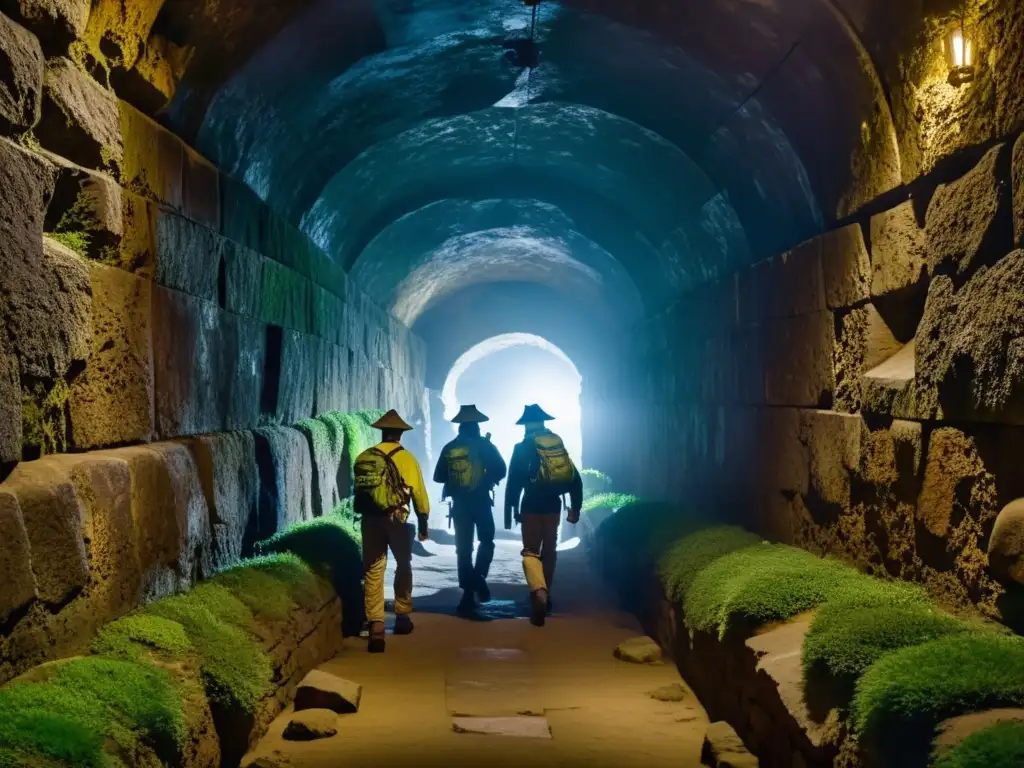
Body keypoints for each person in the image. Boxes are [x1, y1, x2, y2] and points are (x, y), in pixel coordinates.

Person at [353, 409, 430, 653]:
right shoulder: (407, 459)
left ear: (383, 432)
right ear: (400, 434)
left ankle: (376, 624)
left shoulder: (365, 456)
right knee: (403, 564)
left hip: (370, 519)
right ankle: (402, 615)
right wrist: (424, 521)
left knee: (374, 569)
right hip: (398, 519)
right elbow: (419, 493)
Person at [504, 404, 582, 627]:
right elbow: (575, 479)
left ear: (526, 425)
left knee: (530, 552)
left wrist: (511, 510)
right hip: (553, 507)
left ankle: (538, 591)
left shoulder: (522, 447)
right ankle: (547, 595)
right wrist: (575, 508)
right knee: (550, 550)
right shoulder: (557, 444)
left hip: (531, 506)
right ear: (544, 423)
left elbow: (513, 482)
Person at [433, 404, 507, 616]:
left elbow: (438, 477)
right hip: (482, 501)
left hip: (460, 505)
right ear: (477, 426)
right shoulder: (485, 445)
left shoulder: (450, 447)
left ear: (460, 427)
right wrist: (487, 476)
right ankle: (479, 578)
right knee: (486, 540)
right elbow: (502, 469)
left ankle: (467, 593)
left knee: (463, 548)